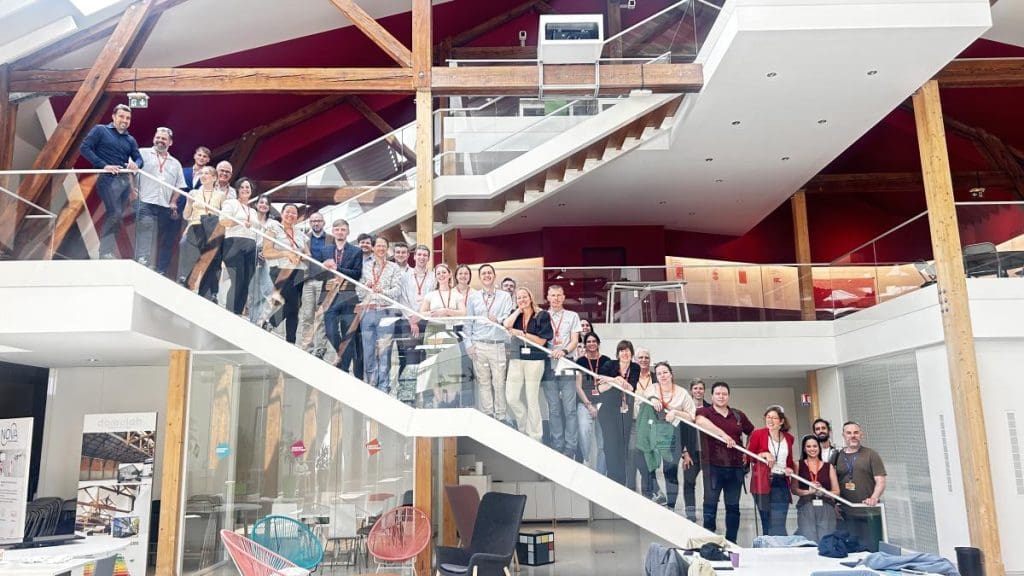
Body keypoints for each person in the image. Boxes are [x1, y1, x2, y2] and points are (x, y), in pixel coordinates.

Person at [79, 104, 143, 259]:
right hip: (106, 178)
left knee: (117, 216)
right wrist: (103, 166)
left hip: (124, 181)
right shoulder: (101, 130)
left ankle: (106, 252)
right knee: (115, 213)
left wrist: (136, 164)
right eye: (121, 116)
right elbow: (84, 148)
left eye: (128, 118)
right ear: (113, 116)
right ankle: (104, 252)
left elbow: (139, 159)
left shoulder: (130, 139)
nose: (125, 120)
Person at [695, 381, 754, 542]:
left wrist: (747, 451)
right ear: (712, 396)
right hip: (712, 466)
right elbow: (699, 421)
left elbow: (752, 432)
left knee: (733, 507)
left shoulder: (738, 415)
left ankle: (731, 542)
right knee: (710, 505)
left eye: (724, 394)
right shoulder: (705, 411)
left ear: (728, 396)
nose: (721, 396)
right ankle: (710, 543)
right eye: (718, 394)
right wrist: (723, 435)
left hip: (735, 467)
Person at [641, 362, 697, 511]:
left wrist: (676, 412)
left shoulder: (682, 393)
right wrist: (653, 399)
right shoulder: (652, 388)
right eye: (659, 373)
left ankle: (671, 506)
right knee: (647, 464)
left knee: (670, 470)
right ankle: (657, 494)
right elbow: (644, 397)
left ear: (671, 374)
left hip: (674, 434)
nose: (662, 376)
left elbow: (691, 416)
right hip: (653, 431)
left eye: (665, 372)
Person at [465, 264, 514, 422]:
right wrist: (468, 345)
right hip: (478, 344)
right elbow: (468, 322)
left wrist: (497, 320)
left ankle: (501, 416)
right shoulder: (473, 297)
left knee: (499, 383)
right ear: (480, 277)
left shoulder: (505, 297)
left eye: (489, 273)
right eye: (484, 273)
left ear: (494, 276)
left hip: (497, 344)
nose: (487, 275)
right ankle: (488, 416)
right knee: (483, 382)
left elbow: (508, 317)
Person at [504, 287, 552, 441]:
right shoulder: (516, 314)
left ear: (531, 298)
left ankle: (536, 435)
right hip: (516, 358)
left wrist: (521, 334)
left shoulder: (541, 315)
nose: (522, 300)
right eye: (519, 298)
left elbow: (542, 341)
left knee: (532, 398)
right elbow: (506, 324)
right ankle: (523, 426)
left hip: (535, 360)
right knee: (511, 397)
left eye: (524, 297)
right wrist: (519, 310)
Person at [134, 127, 185, 272]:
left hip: (164, 205)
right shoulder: (142, 153)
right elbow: (130, 171)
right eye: (158, 137)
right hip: (145, 200)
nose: (160, 141)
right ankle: (142, 260)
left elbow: (179, 186)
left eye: (164, 139)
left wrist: (173, 202)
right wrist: (132, 190)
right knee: (146, 227)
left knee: (157, 234)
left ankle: (149, 263)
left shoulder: (175, 163)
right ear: (154, 138)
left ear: (170, 142)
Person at [356, 236, 402, 392]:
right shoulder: (365, 267)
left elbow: (397, 291)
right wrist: (366, 287)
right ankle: (371, 384)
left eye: (384, 246)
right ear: (373, 248)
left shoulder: (394, 267)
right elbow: (358, 291)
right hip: (368, 311)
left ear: (387, 249)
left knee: (385, 351)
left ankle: (384, 385)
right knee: (368, 350)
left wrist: (382, 291)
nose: (381, 249)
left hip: (386, 311)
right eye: (378, 246)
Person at [831, 422, 887, 549]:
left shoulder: (871, 454)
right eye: (849, 433)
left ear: (861, 435)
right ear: (843, 435)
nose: (853, 436)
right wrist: (833, 504)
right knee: (850, 551)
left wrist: (874, 498)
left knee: (871, 549)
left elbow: (881, 480)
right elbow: (832, 483)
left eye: (856, 432)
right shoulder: (836, 456)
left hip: (868, 512)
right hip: (845, 513)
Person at [542, 284, 581, 459]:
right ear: (548, 297)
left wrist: (564, 351)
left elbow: (574, 340)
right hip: (548, 363)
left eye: (559, 295)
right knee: (554, 409)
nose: (556, 298)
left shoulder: (572, 316)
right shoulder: (542, 315)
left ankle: (570, 446)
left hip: (566, 362)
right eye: (553, 295)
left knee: (570, 409)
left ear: (564, 297)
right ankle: (557, 444)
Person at [321, 218, 363, 376]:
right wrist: (324, 269)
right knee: (330, 331)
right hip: (330, 296)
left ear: (348, 232)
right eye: (337, 229)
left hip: (348, 296)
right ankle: (342, 359)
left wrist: (337, 268)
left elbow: (357, 274)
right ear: (333, 232)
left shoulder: (356, 251)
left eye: (343, 229)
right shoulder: (325, 250)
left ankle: (344, 369)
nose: (340, 232)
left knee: (348, 335)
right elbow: (318, 273)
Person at [262, 204, 309, 344]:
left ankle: (291, 341)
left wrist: (301, 255)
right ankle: (271, 323)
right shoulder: (273, 228)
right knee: (294, 303)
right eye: (288, 212)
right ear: (282, 213)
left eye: (294, 213)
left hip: (298, 271)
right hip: (280, 269)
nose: (290, 215)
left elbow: (308, 254)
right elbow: (266, 252)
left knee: (294, 307)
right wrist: (285, 253)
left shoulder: (300, 233)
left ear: (297, 216)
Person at [595, 340, 639, 486]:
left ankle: (622, 482)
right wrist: (616, 379)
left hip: (625, 412)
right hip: (608, 411)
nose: (625, 353)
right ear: (618, 353)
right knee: (610, 446)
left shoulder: (635, 367)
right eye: (622, 350)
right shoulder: (609, 365)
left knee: (623, 447)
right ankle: (613, 480)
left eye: (627, 350)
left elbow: (631, 388)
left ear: (631, 353)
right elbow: (600, 387)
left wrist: (612, 381)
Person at [748, 405, 796, 536]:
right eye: (768, 417)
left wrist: (790, 469)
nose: (770, 420)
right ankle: (768, 547)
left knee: (779, 522)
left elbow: (789, 461)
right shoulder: (758, 434)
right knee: (767, 522)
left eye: (774, 418)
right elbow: (748, 456)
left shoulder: (789, 438)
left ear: (781, 421)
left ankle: (781, 547)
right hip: (762, 482)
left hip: (781, 481)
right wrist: (763, 454)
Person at [178, 166, 225, 296]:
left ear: (214, 178)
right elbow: (186, 216)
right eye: (201, 173)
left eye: (207, 173)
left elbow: (224, 216)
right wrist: (189, 202)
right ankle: (187, 279)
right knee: (193, 250)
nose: (203, 176)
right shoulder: (194, 193)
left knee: (210, 258)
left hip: (212, 228)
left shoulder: (221, 195)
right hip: (196, 225)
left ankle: (202, 288)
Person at [219, 177, 260, 315]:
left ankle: (237, 312)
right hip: (234, 243)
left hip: (251, 245)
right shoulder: (231, 203)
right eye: (242, 187)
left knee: (247, 281)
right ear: (237, 189)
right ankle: (229, 312)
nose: (245, 189)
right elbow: (223, 221)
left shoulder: (253, 211)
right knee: (238, 279)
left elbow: (257, 229)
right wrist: (240, 222)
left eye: (247, 187)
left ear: (251, 190)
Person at [792, 434, 839, 542]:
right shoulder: (798, 465)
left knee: (826, 540)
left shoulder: (828, 466)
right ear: (804, 449)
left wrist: (823, 492)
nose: (812, 449)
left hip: (826, 506)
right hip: (806, 505)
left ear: (819, 447)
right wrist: (809, 492)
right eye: (808, 446)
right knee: (809, 540)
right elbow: (794, 489)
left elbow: (836, 491)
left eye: (815, 446)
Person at [396, 244, 435, 371]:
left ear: (428, 258)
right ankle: (409, 383)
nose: (422, 257)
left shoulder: (433, 277)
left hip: (426, 320)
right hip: (408, 321)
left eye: (425, 255)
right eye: (419, 254)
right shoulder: (405, 276)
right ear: (414, 257)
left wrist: (419, 317)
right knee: (411, 357)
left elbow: (433, 299)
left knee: (425, 357)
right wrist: (412, 319)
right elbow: (402, 299)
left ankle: (422, 383)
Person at [575, 332, 609, 474]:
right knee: (584, 431)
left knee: (603, 441)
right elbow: (578, 386)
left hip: (603, 404)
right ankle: (587, 460)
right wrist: (589, 405)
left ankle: (601, 473)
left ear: (598, 343)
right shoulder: (581, 361)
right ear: (585, 345)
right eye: (588, 341)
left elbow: (610, 384)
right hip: (585, 403)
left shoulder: (606, 361)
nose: (591, 344)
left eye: (594, 341)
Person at [300, 211, 332, 358]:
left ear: (323, 223)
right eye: (313, 221)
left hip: (324, 281)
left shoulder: (331, 239)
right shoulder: (304, 239)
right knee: (307, 315)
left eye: (318, 221)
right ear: (310, 223)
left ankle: (320, 348)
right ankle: (307, 346)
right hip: (308, 280)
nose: (316, 223)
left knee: (321, 316)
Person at [681, 377, 712, 522]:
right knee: (689, 483)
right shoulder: (685, 409)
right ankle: (690, 514)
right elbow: (680, 432)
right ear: (691, 391)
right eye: (695, 388)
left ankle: (708, 514)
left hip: (708, 454)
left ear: (704, 391)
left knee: (710, 486)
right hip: (691, 454)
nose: (698, 391)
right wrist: (684, 453)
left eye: (701, 388)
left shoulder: (711, 409)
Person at [247, 194, 277, 325]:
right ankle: (254, 320)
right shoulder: (250, 219)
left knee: (267, 289)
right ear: (256, 204)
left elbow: (278, 240)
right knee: (252, 291)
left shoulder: (273, 223)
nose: (263, 205)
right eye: (261, 202)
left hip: (265, 257)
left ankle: (263, 319)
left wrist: (266, 251)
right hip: (249, 255)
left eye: (266, 203)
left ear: (269, 207)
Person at [633, 348, 656, 497]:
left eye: (646, 357)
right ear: (635, 360)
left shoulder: (655, 377)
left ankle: (648, 495)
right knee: (637, 455)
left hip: (651, 423)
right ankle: (652, 490)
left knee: (650, 458)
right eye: (640, 357)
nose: (643, 360)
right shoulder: (631, 375)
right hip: (634, 421)